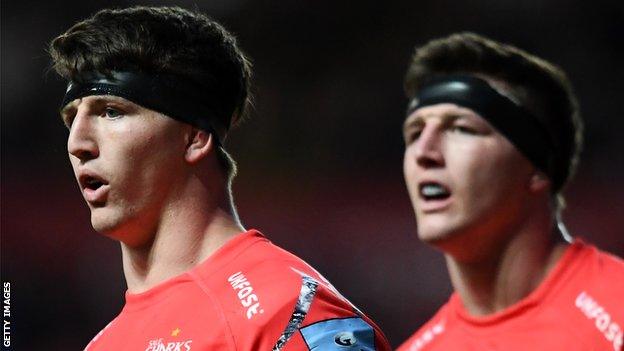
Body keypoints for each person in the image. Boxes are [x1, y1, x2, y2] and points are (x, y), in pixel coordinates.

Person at [49, 6, 391, 351]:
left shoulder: (287, 314)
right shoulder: (104, 345)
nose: (78, 144)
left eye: (111, 112)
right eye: (71, 119)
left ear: (195, 137)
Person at [397, 32, 623, 351]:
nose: (424, 152)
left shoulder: (616, 315)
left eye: (461, 128)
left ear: (538, 168)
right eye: (415, 133)